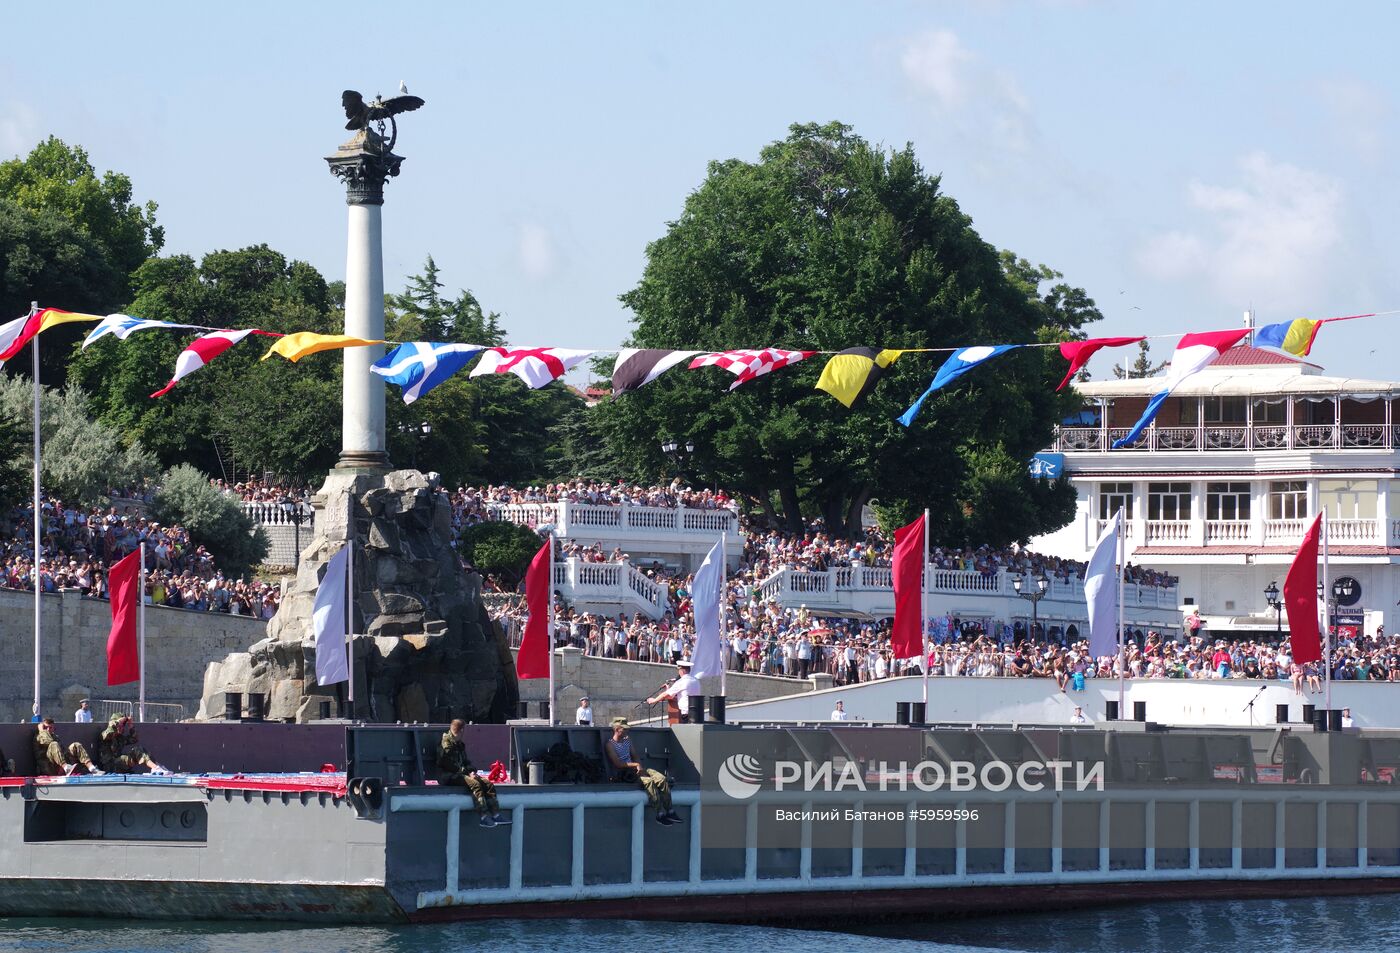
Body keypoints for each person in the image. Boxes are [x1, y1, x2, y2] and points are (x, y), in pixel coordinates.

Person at [604, 717, 679, 826]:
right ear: (617, 729)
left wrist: (640, 767)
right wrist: (636, 765)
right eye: (624, 729)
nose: (627, 731)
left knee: (661, 779)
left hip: (636, 770)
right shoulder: (610, 745)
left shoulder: (627, 740)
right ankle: (659, 813)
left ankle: (670, 810)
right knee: (649, 782)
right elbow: (618, 764)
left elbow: (635, 756)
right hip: (625, 773)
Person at [438, 719, 508, 828]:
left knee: (488, 784)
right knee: (475, 784)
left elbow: (466, 761)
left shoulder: (459, 744)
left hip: (461, 773)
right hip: (448, 775)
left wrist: (472, 771)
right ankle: (483, 816)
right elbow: (448, 764)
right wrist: (467, 773)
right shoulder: (446, 744)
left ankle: (495, 813)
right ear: (461, 731)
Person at [96, 713, 169, 774]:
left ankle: (157, 767)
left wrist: (130, 725)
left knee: (140, 749)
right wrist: (118, 722)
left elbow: (134, 739)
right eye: (120, 726)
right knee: (136, 752)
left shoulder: (120, 738)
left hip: (119, 765)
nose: (122, 728)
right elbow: (109, 732)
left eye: (123, 726)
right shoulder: (105, 735)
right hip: (110, 766)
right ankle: (156, 768)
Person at [33, 718, 102, 776]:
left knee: (75, 745)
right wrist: (42, 730)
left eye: (50, 727)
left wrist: (71, 755)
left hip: (59, 766)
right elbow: (49, 741)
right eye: (45, 727)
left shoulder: (55, 737)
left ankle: (92, 768)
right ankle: (66, 768)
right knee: (54, 744)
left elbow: (62, 752)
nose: (48, 730)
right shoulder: (39, 737)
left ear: (54, 729)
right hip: (48, 767)